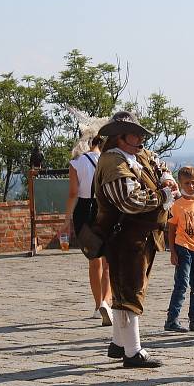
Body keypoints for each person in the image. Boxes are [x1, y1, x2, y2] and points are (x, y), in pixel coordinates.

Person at [93, 111, 178, 368]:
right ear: (120, 137)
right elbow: (129, 201)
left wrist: (167, 179)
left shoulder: (137, 154)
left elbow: (159, 164)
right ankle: (133, 351)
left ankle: (120, 344)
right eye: (136, 133)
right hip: (125, 236)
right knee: (130, 291)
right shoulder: (112, 162)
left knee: (126, 290)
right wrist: (162, 196)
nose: (141, 137)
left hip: (142, 235)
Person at [65, 115, 113, 326]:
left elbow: (73, 193)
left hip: (84, 210)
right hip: (106, 208)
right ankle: (107, 301)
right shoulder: (109, 161)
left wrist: (66, 218)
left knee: (94, 261)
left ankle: (97, 305)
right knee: (108, 261)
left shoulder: (76, 163)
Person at [165, 166, 194, 333]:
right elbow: (171, 228)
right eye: (187, 183)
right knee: (182, 284)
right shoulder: (176, 205)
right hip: (183, 247)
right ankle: (172, 319)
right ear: (180, 184)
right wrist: (172, 251)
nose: (191, 186)